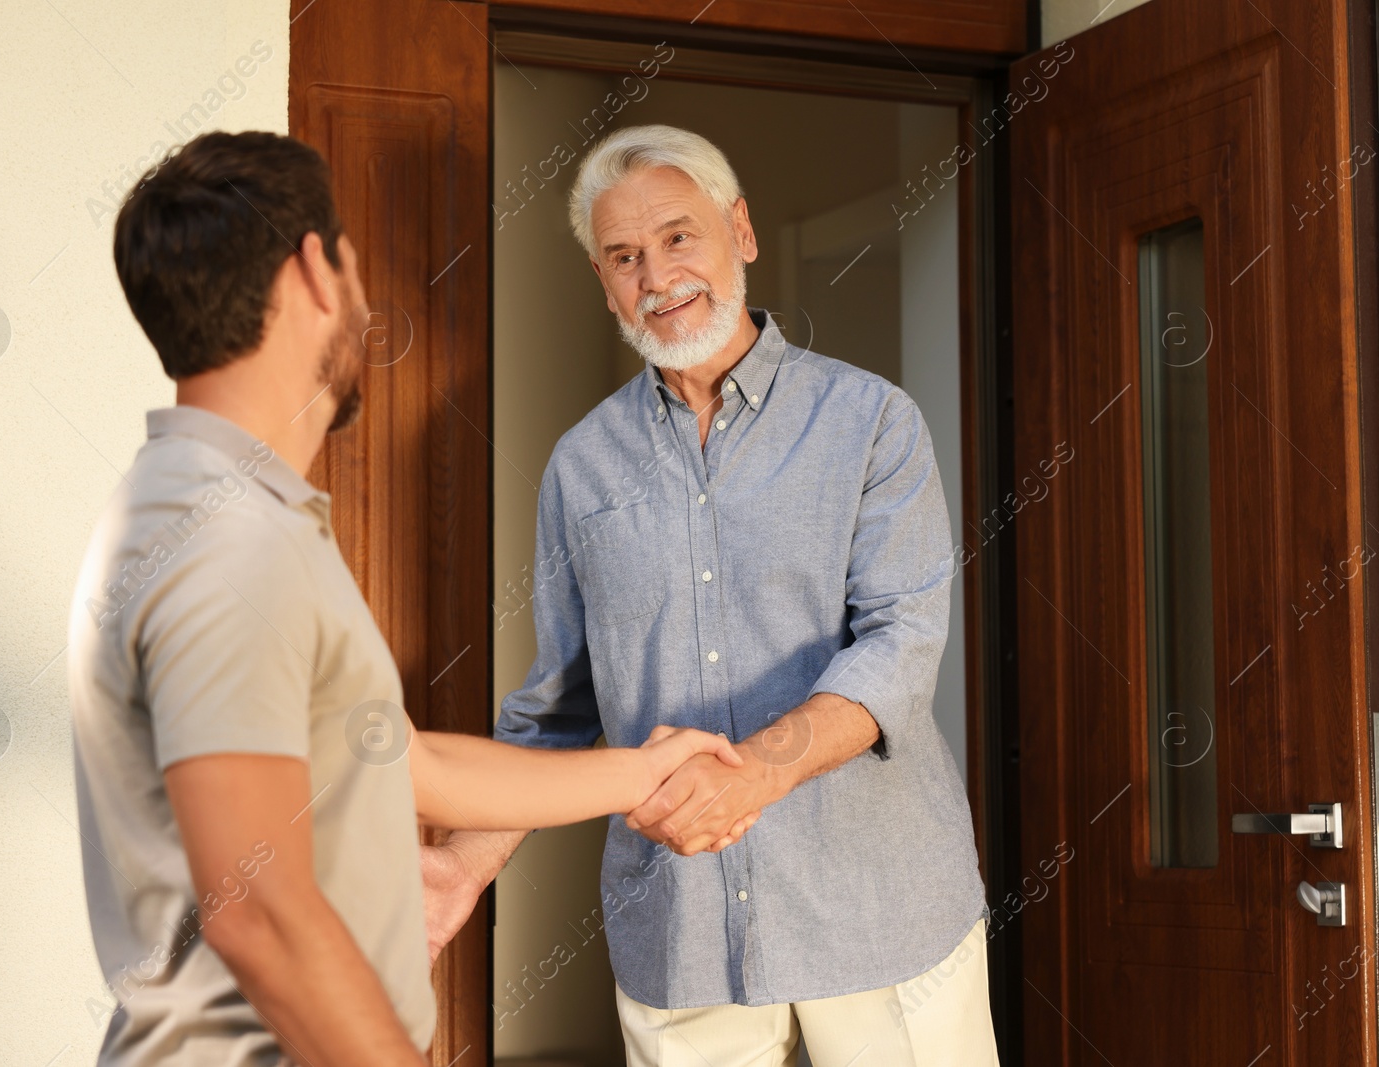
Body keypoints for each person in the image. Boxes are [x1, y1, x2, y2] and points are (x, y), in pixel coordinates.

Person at [66, 130, 751, 1067]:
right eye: (350, 263)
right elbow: (258, 909)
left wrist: (641, 771)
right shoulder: (224, 540)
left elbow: (398, 758)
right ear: (317, 270)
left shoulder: (226, 512)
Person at [422, 125, 999, 1065]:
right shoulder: (580, 468)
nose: (657, 275)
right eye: (624, 256)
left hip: (882, 915)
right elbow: (556, 710)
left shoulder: (871, 421)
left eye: (678, 237)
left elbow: (900, 644)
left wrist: (760, 771)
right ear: (604, 282)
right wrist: (461, 863)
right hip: (681, 930)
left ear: (741, 232)